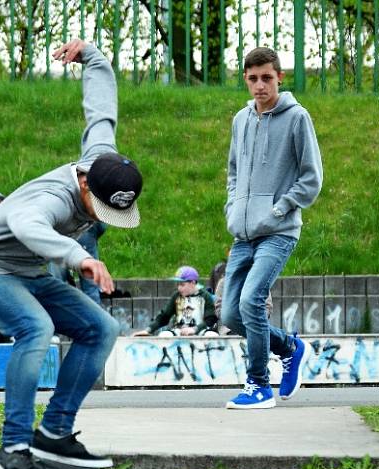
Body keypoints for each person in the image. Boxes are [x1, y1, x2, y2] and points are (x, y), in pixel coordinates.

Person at [0, 38, 143, 469]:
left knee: (101, 328)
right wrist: (79, 256)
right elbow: (24, 223)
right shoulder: (51, 199)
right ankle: (13, 447)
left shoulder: (101, 160)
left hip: (29, 275)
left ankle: (55, 431)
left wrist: (93, 56)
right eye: (101, 212)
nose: (103, 222)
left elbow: (102, 112)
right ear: (85, 189)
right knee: (35, 328)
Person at [221, 47, 322, 409]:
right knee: (230, 314)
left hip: (278, 232)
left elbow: (312, 178)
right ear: (245, 80)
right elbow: (233, 172)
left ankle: (259, 385)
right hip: (243, 233)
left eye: (267, 77)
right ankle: (290, 347)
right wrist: (233, 207)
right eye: (253, 79)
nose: (260, 85)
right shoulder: (241, 120)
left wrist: (280, 208)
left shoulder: (297, 118)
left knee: (251, 302)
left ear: (280, 76)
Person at [132, 266, 217, 337]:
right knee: (164, 335)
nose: (179, 288)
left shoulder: (206, 297)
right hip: (179, 331)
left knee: (211, 335)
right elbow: (164, 316)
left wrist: (194, 329)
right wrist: (148, 330)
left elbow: (210, 319)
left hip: (200, 331)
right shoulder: (176, 296)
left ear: (193, 283)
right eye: (178, 285)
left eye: (182, 285)